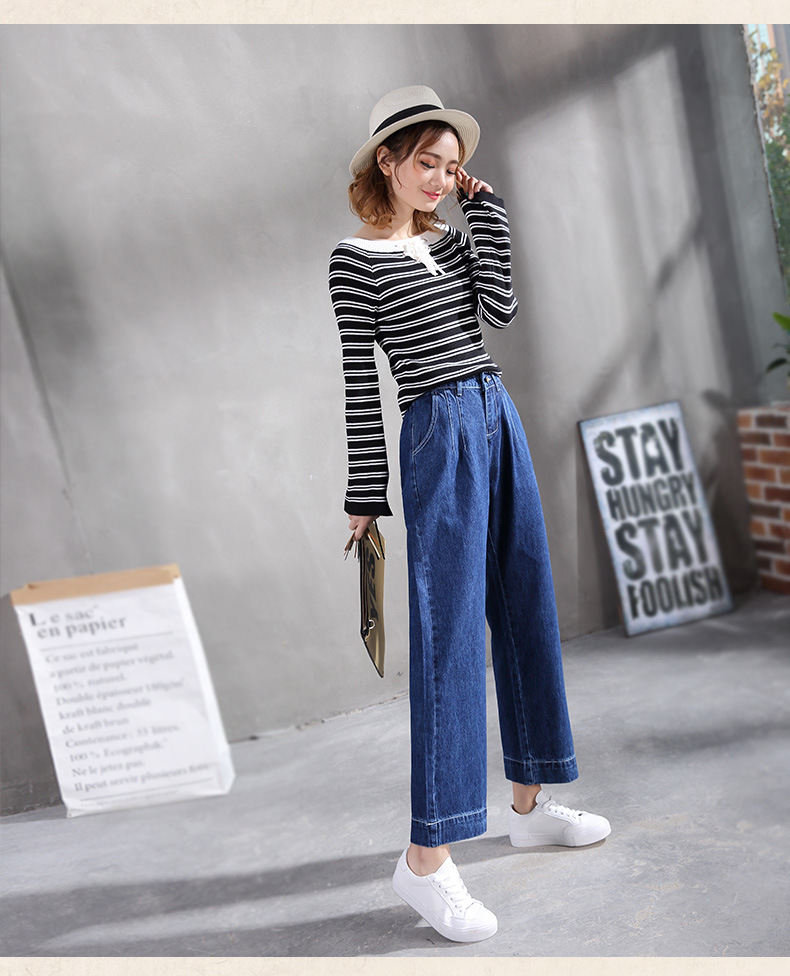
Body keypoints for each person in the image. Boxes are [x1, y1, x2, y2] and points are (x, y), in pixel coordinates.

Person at [328, 85, 611, 944]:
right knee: (450, 639)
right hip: (435, 431)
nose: (442, 180)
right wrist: (365, 496)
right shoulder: (351, 262)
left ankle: (528, 803)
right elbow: (361, 387)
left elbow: (503, 311)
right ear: (387, 160)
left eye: (453, 168)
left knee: (526, 604)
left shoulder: (454, 238)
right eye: (428, 163)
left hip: (496, 411)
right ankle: (426, 861)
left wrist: (488, 219)